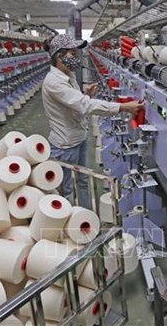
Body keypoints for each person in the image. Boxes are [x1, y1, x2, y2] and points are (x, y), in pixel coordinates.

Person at [42, 34, 143, 208]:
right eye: (72, 53)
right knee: (65, 189)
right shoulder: (53, 82)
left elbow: (76, 102)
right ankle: (67, 224)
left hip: (79, 138)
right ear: (59, 56)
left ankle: (84, 215)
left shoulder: (68, 75)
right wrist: (122, 107)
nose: (76, 57)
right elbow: (84, 105)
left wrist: (86, 94)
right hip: (65, 145)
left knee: (83, 181)